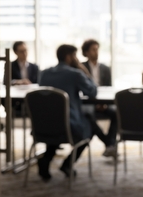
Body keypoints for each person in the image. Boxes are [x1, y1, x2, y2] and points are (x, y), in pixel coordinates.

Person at [37, 44, 105, 182]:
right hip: (69, 125)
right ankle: (67, 164)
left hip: (44, 124)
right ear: (69, 57)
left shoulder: (44, 73)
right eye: (75, 56)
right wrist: (84, 71)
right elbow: (92, 92)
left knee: (57, 124)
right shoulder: (75, 74)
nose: (77, 59)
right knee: (89, 128)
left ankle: (46, 159)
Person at [81, 39, 117, 157]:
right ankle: (109, 143)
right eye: (93, 50)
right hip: (88, 102)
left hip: (104, 101)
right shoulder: (81, 68)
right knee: (88, 115)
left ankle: (110, 143)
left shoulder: (105, 69)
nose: (96, 52)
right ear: (86, 52)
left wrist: (104, 103)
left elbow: (109, 89)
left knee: (116, 113)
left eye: (97, 50)